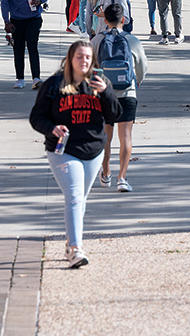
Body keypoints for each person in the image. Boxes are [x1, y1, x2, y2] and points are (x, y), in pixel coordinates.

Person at [29, 40, 121, 268]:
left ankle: (72, 241)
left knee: (80, 198)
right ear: (70, 59)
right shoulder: (54, 84)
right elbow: (36, 117)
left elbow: (115, 115)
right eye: (79, 57)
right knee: (74, 196)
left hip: (93, 150)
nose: (84, 61)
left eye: (88, 57)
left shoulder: (100, 83)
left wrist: (106, 92)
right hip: (64, 150)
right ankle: (75, 248)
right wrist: (52, 128)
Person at [90, 5, 147, 192]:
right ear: (123, 20)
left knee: (106, 136)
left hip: (104, 94)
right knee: (126, 136)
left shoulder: (97, 40)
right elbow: (142, 67)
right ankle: (122, 177)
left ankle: (106, 173)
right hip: (127, 93)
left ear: (104, 20)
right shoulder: (132, 41)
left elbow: (90, 67)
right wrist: (135, 82)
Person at [1, 0, 50, 89]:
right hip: (17, 20)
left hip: (34, 19)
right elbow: (5, 2)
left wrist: (40, 0)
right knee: (18, 49)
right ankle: (20, 78)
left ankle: (36, 78)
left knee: (33, 46)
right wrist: (6, 21)